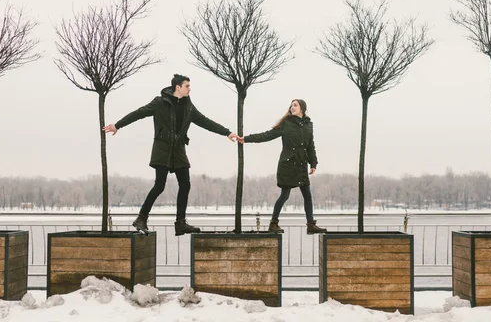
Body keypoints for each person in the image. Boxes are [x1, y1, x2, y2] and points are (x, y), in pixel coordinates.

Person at [103, 74, 239, 236]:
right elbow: (139, 113)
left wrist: (227, 132)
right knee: (160, 185)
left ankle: (180, 223)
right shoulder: (160, 103)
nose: (190, 89)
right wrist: (118, 125)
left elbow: (204, 121)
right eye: (187, 86)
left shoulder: (188, 106)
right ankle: (141, 218)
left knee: (185, 184)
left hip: (179, 150)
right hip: (163, 149)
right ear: (178, 87)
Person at [238, 99, 327, 234]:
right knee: (284, 195)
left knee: (307, 196)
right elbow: (267, 135)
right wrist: (247, 139)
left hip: (301, 165)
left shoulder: (309, 125)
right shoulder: (287, 124)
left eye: (295, 105)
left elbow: (310, 146)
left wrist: (313, 163)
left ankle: (310, 225)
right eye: (291, 106)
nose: (292, 107)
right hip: (288, 165)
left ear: (302, 108)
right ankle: (273, 223)